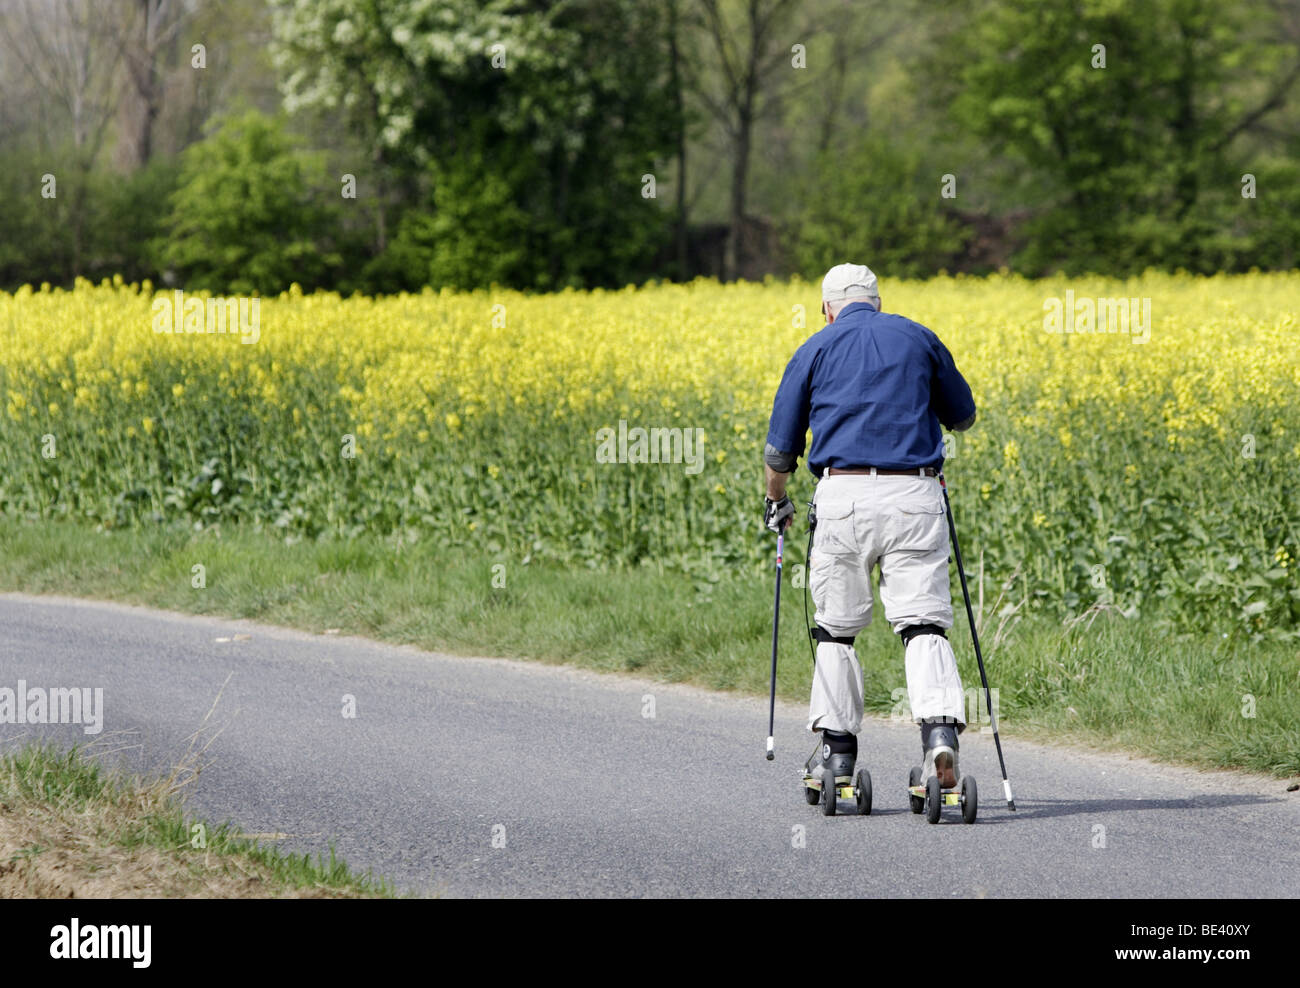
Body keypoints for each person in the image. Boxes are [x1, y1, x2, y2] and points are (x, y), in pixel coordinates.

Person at [762, 262, 977, 797]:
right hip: (916, 497)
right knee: (923, 623)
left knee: (836, 629)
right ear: (878, 302)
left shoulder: (815, 346)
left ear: (826, 308)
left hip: (843, 499)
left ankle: (837, 760)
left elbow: (779, 452)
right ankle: (939, 738)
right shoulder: (918, 337)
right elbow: (964, 415)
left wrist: (778, 502)